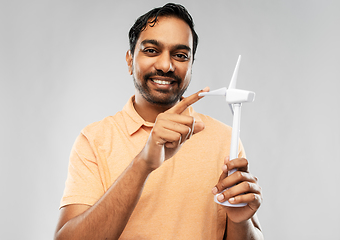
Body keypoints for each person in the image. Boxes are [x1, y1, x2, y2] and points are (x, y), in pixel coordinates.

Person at [54, 3, 263, 240]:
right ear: (129, 60)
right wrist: (143, 164)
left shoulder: (225, 139)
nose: (166, 65)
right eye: (152, 50)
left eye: (181, 55)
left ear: (191, 65)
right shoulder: (94, 140)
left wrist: (241, 221)